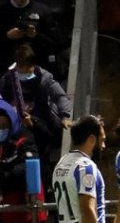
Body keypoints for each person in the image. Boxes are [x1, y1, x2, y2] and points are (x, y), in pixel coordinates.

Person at [1, 44, 73, 183]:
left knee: (40, 161)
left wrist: (65, 116)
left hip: (40, 126)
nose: (23, 72)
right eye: (20, 68)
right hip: (15, 129)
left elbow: (60, 96)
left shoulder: (44, 78)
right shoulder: (7, 80)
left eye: (26, 68)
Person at [0, 0, 66, 83]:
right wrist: (7, 36)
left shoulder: (43, 11)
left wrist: (36, 36)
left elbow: (57, 44)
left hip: (36, 69)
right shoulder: (2, 12)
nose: (20, 0)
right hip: (9, 72)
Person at [0, 98, 45, 223]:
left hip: (27, 215)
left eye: (4, 125)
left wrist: (4, 176)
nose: (1, 129)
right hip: (5, 217)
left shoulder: (24, 138)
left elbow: (26, 168)